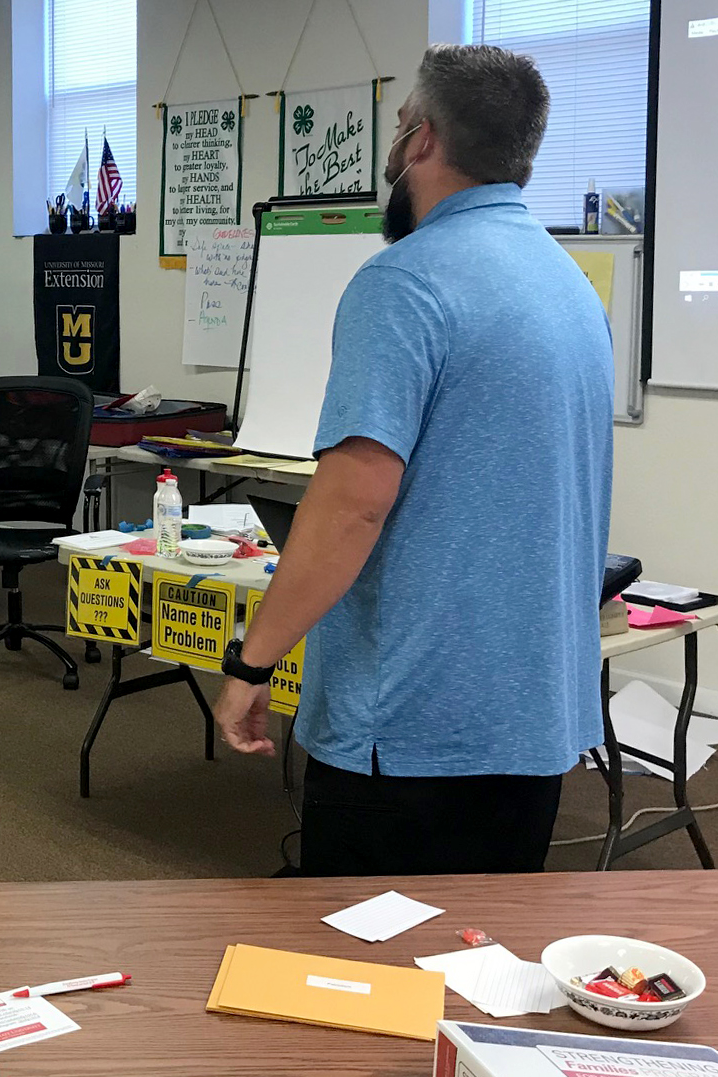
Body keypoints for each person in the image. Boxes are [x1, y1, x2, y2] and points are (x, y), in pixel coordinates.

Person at [211, 44, 613, 876]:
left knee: (364, 975)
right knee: (480, 970)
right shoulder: (569, 281)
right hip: (533, 715)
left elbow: (352, 504)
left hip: (411, 728)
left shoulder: (403, 282)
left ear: (422, 141)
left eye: (398, 128)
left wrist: (252, 660)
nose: (393, 150)